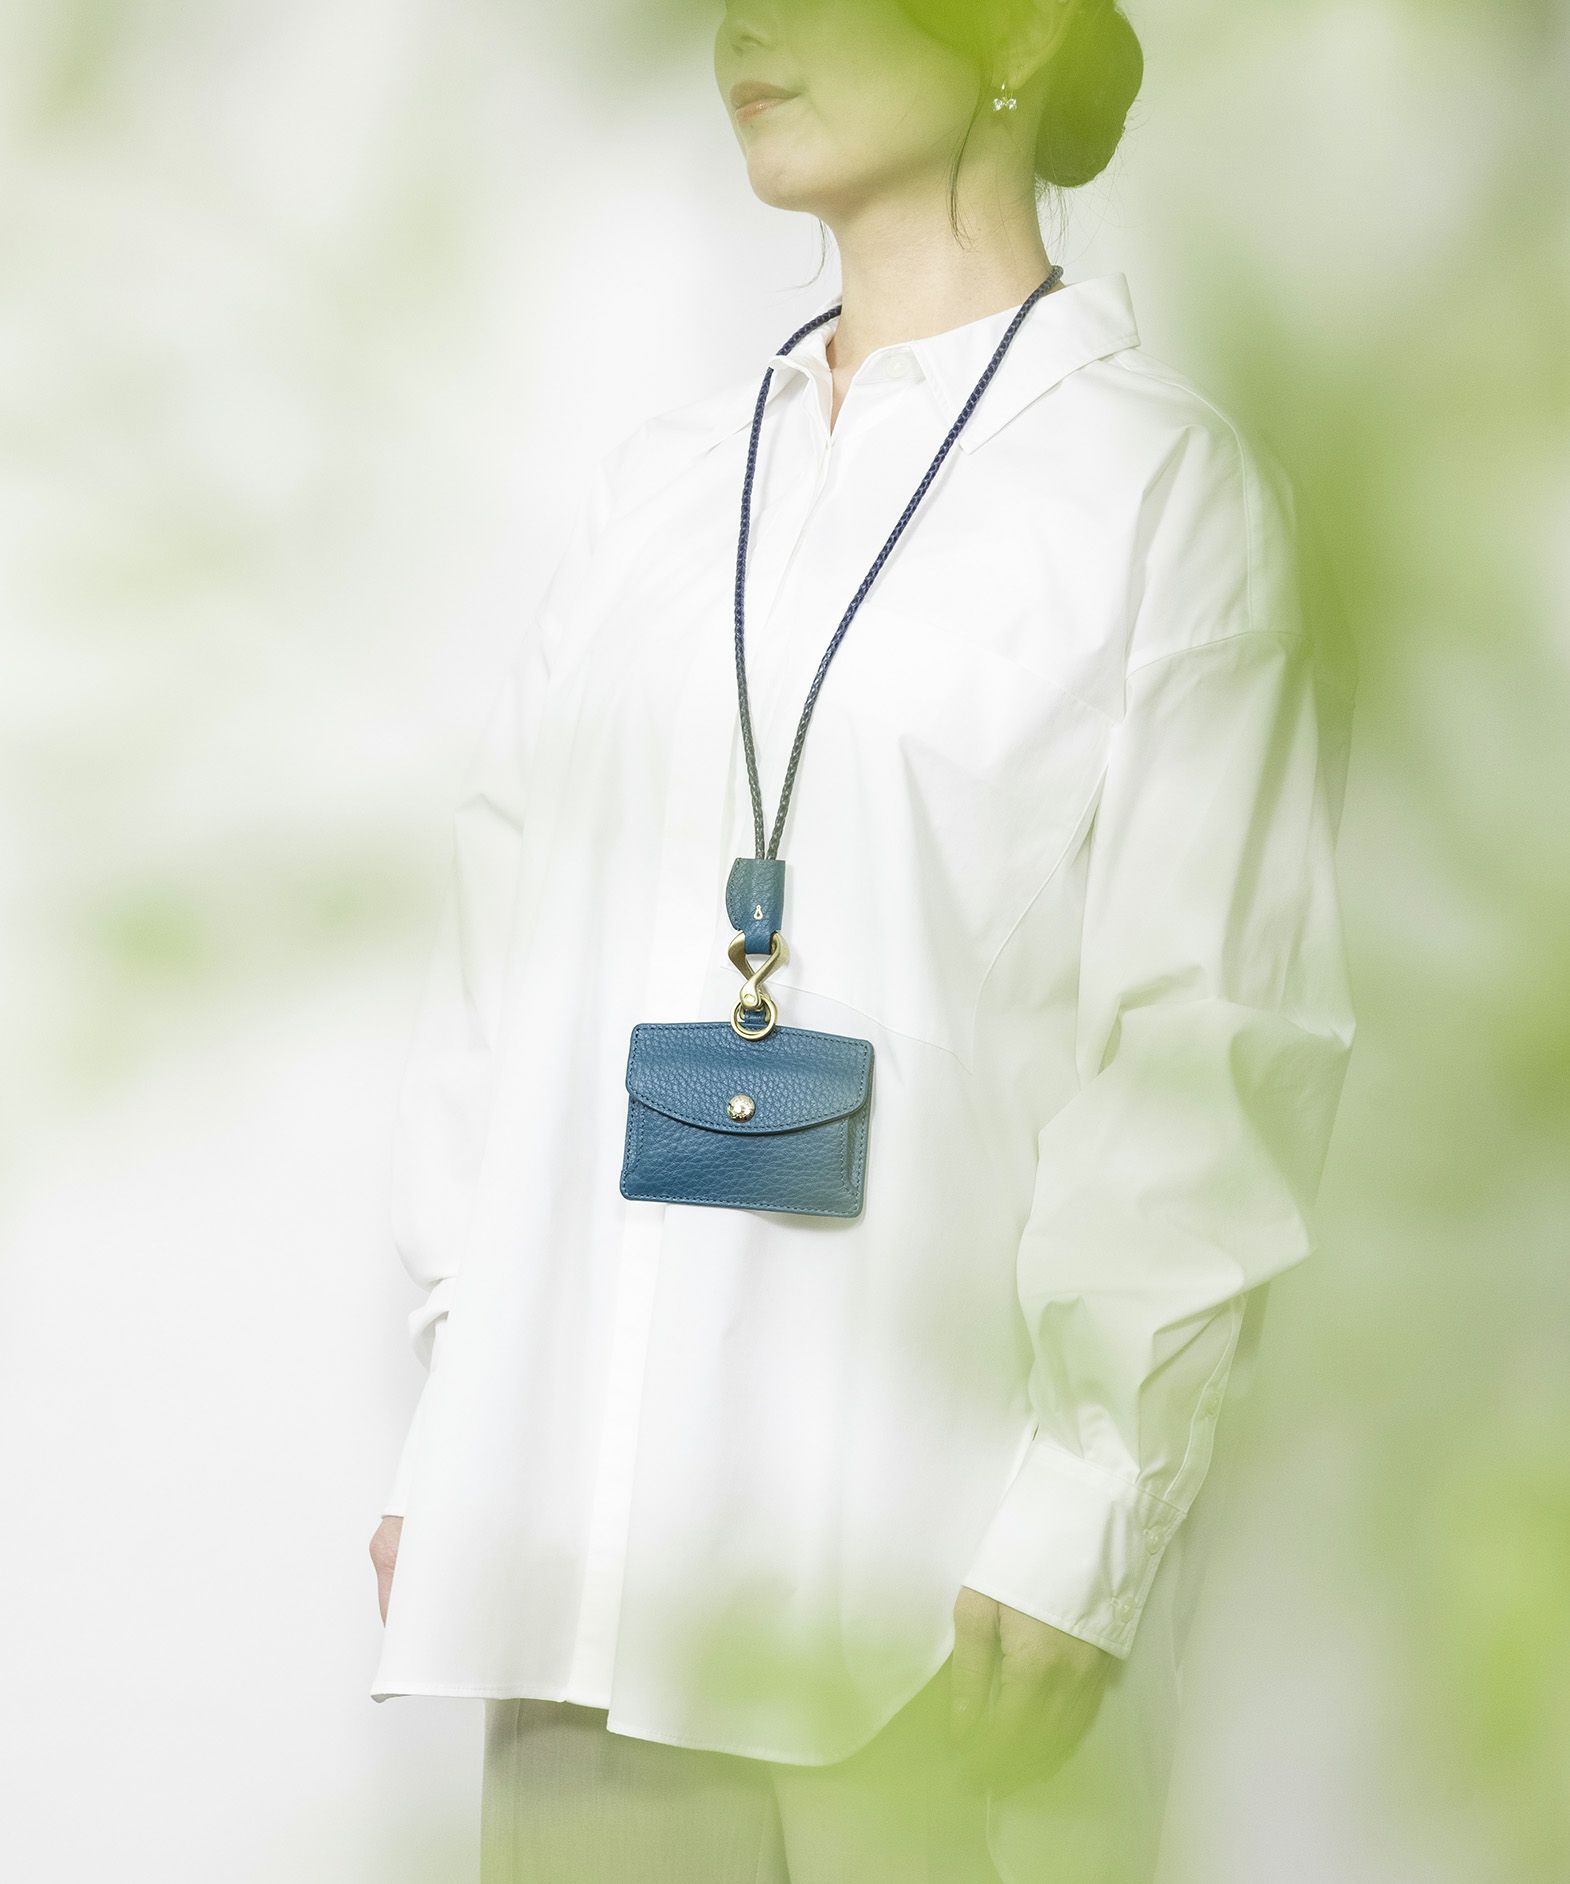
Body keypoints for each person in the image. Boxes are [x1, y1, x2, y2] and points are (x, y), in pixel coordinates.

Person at [366, 3, 1357, 1879]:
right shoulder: (666, 487)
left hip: (922, 1589)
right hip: (576, 1562)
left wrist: (1084, 1518)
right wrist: (466, 1410)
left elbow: (1211, 1033)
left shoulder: (1161, 489)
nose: (746, 24)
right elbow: (503, 966)